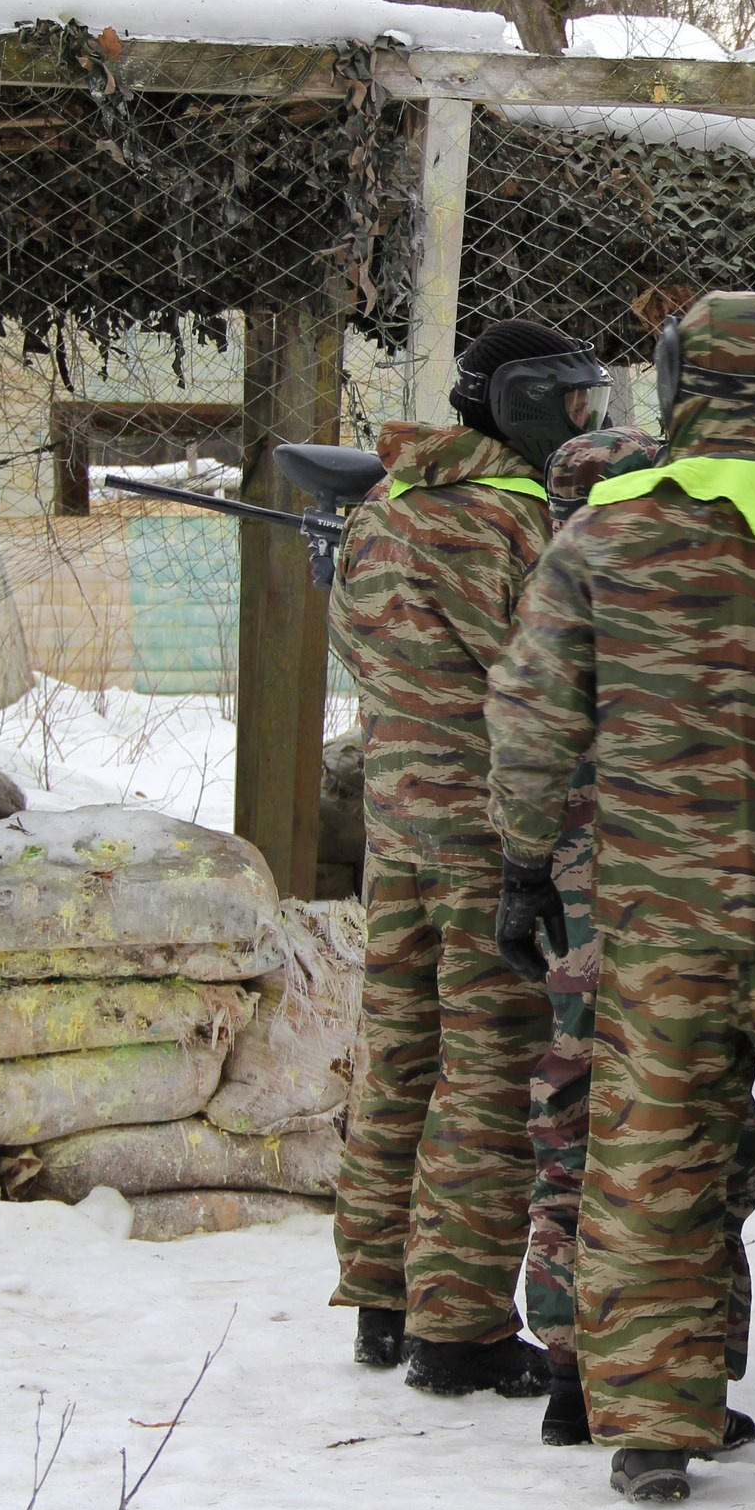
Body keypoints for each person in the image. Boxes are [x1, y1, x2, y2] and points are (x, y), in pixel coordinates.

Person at [487, 290, 755, 1504]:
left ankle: (649, 1423)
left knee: (652, 1164)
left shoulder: (602, 537)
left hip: (656, 914)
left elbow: (532, 717)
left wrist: (526, 864)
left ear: (677, 385)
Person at [328, 316, 611, 1398]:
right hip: (494, 835)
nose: (584, 419)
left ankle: (383, 1294)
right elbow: (546, 677)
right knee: (491, 1067)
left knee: (398, 1051)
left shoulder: (385, 502)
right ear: (524, 403)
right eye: (573, 400)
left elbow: (358, 646)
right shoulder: (516, 520)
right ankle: (459, 1330)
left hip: (396, 826)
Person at [515, 427, 755, 1456]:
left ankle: (574, 1366)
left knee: (578, 1117)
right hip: (672, 906)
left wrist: (519, 867)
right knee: (694, 1139)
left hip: (581, 905)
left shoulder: (549, 605)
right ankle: (677, 1376)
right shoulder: (677, 598)